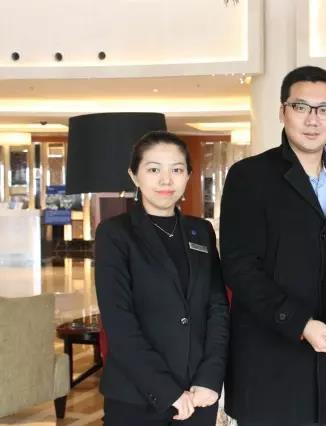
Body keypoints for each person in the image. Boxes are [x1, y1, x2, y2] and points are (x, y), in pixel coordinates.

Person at [219, 65, 326, 426]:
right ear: (282, 111)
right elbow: (239, 266)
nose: (313, 120)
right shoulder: (249, 176)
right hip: (268, 359)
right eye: (301, 107)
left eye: (324, 109)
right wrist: (301, 323)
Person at [95, 131, 229, 425]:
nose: (166, 180)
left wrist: (210, 377)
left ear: (188, 175)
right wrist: (167, 391)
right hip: (137, 396)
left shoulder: (201, 231)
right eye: (154, 169)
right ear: (134, 175)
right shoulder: (115, 233)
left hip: (198, 394)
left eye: (177, 170)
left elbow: (217, 307)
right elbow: (119, 322)